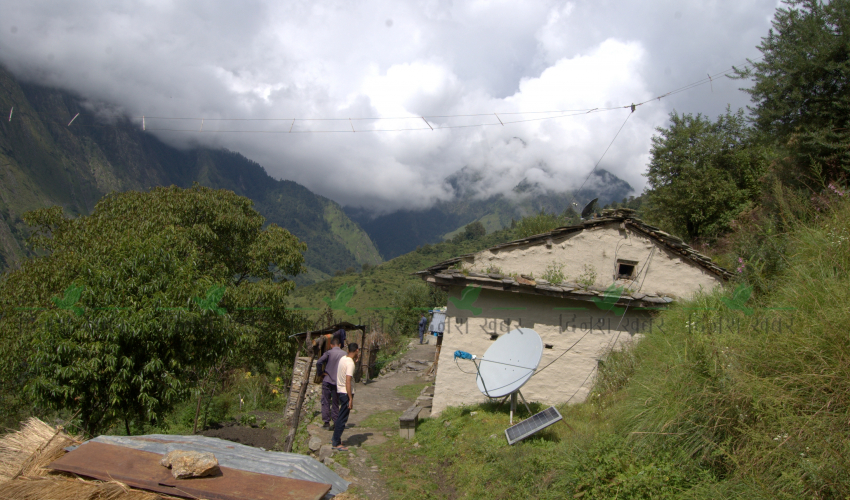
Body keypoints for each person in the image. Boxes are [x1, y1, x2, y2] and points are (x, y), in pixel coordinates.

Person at [332, 343, 360, 451]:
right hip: (345, 392)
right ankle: (336, 442)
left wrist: (355, 360)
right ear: (357, 350)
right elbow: (348, 381)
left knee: (340, 416)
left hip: (340, 390)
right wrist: (350, 398)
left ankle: (335, 438)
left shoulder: (343, 359)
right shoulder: (350, 364)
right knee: (342, 418)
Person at [316, 337, 346, 429]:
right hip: (337, 381)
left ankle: (326, 422)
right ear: (340, 345)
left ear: (331, 345)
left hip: (327, 379)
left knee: (325, 401)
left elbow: (319, 362)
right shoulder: (344, 354)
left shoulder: (328, 353)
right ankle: (336, 422)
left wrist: (320, 373)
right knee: (335, 402)